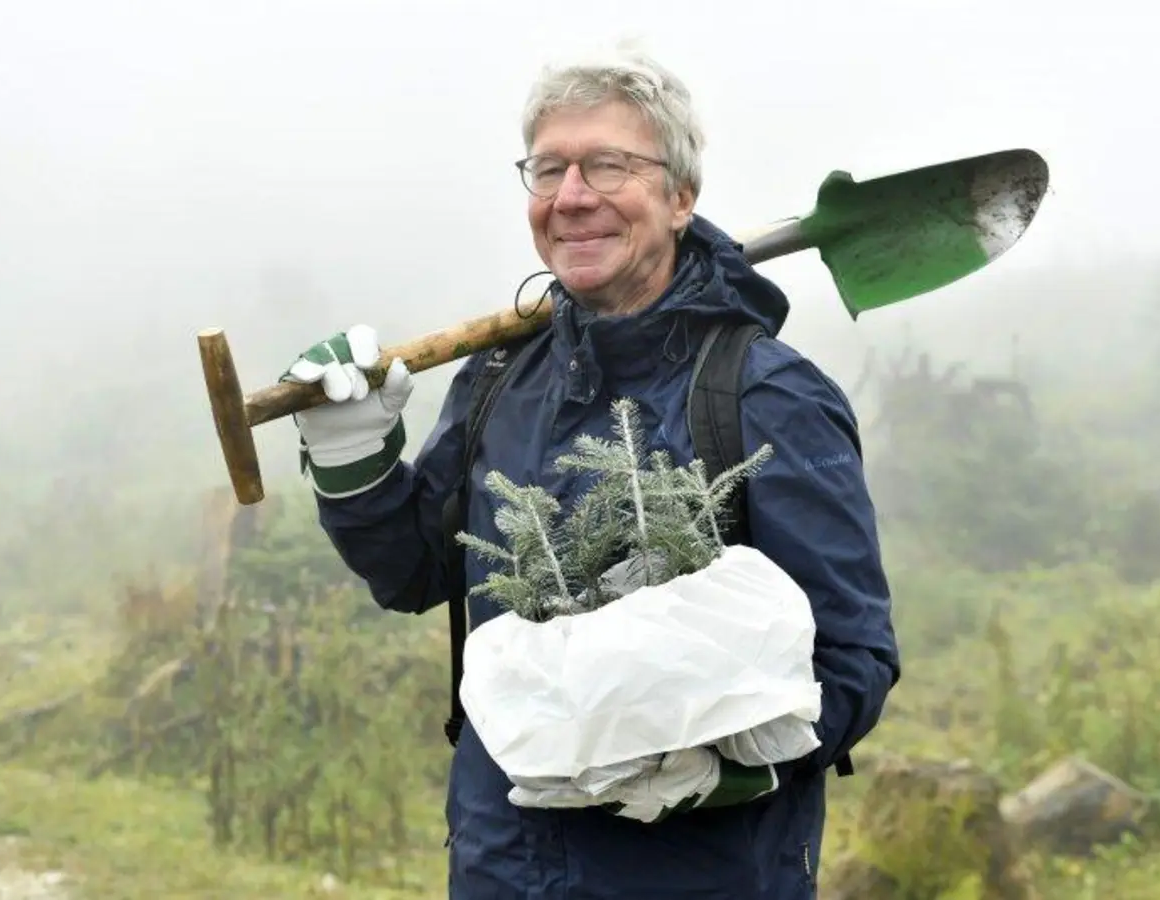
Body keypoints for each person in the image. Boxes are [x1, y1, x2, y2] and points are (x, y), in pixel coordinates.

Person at [282, 47, 900, 899]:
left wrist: (727, 766)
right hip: (504, 867)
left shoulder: (767, 396)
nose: (571, 196)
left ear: (681, 198)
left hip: (705, 876)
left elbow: (853, 653)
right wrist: (351, 459)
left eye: (608, 165)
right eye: (548, 169)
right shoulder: (499, 380)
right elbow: (413, 569)